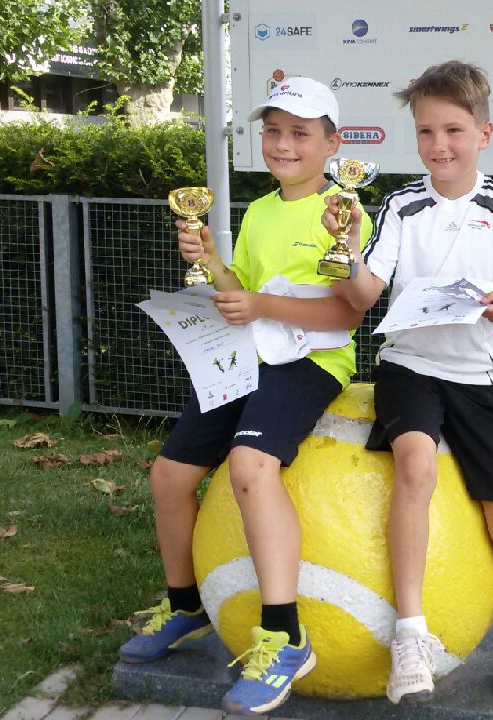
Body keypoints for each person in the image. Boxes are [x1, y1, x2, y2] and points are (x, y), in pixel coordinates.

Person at [118, 76, 373, 717]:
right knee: (169, 475)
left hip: (314, 361)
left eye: (300, 133)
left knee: (251, 466)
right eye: (273, 131)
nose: (282, 144)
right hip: (251, 355)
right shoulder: (259, 211)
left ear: (332, 143)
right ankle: (186, 607)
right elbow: (242, 297)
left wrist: (258, 304)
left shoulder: (344, 210)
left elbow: (346, 315)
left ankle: (285, 636)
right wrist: (210, 259)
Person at [324, 60, 493, 719]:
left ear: (483, 133)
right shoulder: (400, 205)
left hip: (475, 378)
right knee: (415, 464)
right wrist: (346, 255)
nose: (439, 145)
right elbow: (365, 295)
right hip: (409, 367)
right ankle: (411, 636)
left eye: (453, 130)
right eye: (426, 131)